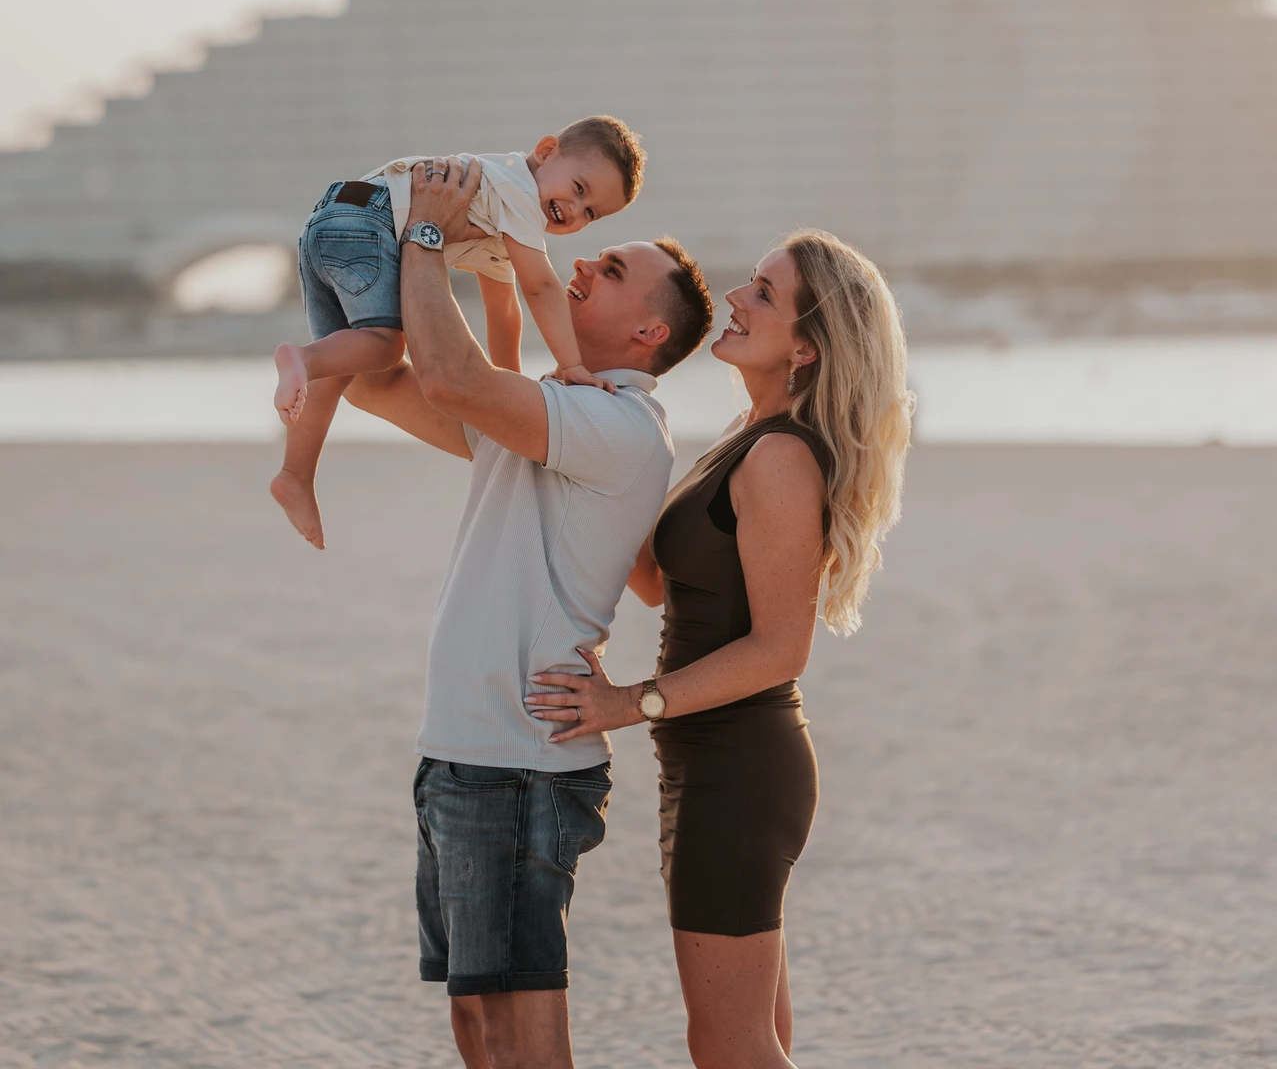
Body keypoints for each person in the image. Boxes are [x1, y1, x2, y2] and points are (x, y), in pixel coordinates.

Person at [344, 155, 715, 1069]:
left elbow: (452, 379)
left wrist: (429, 232)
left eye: (612, 272)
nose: (580, 264)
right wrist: (364, 249)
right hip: (461, 755)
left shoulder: (617, 426)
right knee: (477, 1022)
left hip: (516, 766)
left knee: (521, 1029)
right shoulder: (548, 413)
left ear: (647, 331)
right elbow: (379, 382)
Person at [527, 229, 913, 1069]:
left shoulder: (777, 457)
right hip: (716, 765)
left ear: (807, 344)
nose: (736, 299)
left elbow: (780, 649)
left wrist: (627, 702)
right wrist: (593, 439)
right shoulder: (749, 432)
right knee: (756, 1044)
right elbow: (663, 584)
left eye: (764, 295)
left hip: (738, 767)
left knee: (730, 1049)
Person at [269, 114, 645, 547]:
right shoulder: (518, 194)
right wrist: (571, 364)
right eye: (579, 189)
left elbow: (503, 311)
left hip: (330, 215)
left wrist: (510, 397)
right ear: (545, 153)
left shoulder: (499, 208)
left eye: (591, 213)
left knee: (338, 364)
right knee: (386, 346)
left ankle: (294, 475)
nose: (574, 210)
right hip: (369, 226)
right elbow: (540, 288)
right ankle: (300, 359)